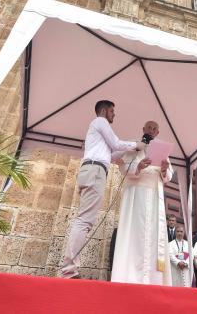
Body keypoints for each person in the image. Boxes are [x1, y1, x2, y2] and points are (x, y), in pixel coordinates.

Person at [59, 100, 145, 279]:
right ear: (104, 111)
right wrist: (135, 144)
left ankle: (69, 267)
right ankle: (68, 269)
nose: (114, 114)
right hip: (95, 171)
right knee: (84, 221)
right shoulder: (100, 122)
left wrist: (131, 149)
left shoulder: (97, 132)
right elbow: (115, 143)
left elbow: (112, 155)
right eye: (112, 111)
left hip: (92, 170)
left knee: (83, 220)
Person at [111, 120, 173, 285]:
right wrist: (137, 167)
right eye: (149, 127)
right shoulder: (135, 147)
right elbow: (123, 169)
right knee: (135, 235)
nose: (151, 130)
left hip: (154, 199)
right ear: (143, 129)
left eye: (155, 128)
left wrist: (165, 170)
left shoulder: (163, 151)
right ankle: (130, 276)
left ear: (157, 133)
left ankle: (154, 279)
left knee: (154, 237)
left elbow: (169, 176)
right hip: (136, 197)